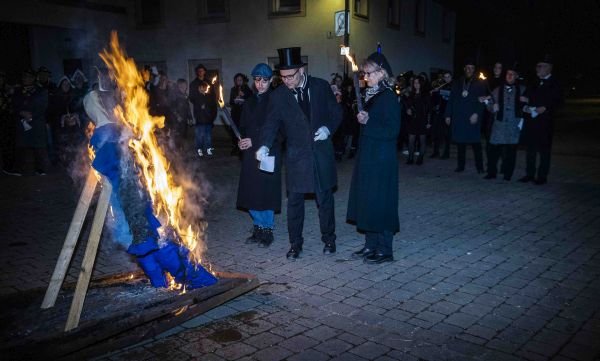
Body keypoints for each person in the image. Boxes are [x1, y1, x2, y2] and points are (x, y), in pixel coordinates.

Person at [256, 47, 342, 260]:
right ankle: (295, 244)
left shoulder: (320, 86)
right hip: (296, 157)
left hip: (320, 153)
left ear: (302, 70)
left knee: (325, 199)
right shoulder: (278, 96)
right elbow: (271, 124)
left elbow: (337, 112)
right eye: (282, 77)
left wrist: (328, 128)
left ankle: (329, 239)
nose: (286, 81)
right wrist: (264, 145)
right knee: (294, 202)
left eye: (290, 76)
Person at [347, 52, 400, 264]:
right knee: (368, 199)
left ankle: (385, 249)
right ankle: (370, 244)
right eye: (364, 73)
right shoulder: (370, 95)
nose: (365, 77)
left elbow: (392, 130)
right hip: (368, 155)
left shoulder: (388, 97)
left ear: (381, 73)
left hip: (382, 158)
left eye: (368, 73)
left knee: (382, 201)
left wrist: (368, 122)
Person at [236, 64, 282, 247]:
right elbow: (244, 127)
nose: (260, 84)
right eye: (257, 80)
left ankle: (267, 229)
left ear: (271, 80)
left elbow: (279, 130)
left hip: (268, 151)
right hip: (250, 154)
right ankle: (258, 227)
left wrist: (255, 141)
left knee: (265, 192)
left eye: (264, 80)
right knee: (251, 191)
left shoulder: (276, 101)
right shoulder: (249, 102)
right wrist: (241, 140)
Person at [519, 54, 562, 185]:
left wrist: (545, 108)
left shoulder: (555, 83)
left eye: (541, 66)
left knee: (544, 151)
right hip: (531, 121)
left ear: (549, 68)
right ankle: (529, 174)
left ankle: (542, 176)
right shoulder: (534, 82)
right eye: (537, 66)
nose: (537, 69)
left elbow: (558, 102)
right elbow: (524, 98)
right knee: (530, 150)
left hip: (545, 122)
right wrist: (525, 107)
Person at [483, 63, 526, 181]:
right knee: (493, 150)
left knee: (510, 152)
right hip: (499, 125)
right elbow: (489, 104)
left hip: (513, 125)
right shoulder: (498, 89)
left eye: (512, 74)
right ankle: (492, 172)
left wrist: (527, 100)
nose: (510, 76)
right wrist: (492, 107)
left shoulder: (522, 90)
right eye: (508, 74)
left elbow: (529, 104)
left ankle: (508, 175)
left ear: (516, 76)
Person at [445, 58, 487, 173]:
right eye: (467, 67)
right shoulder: (458, 82)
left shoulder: (480, 83)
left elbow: (482, 101)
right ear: (464, 69)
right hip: (460, 117)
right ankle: (460, 166)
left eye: (472, 68)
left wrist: (477, 114)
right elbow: (451, 99)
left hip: (472, 116)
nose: (469, 70)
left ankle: (480, 168)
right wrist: (448, 115)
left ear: (474, 70)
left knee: (476, 144)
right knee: (460, 143)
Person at [12, 68, 49, 175]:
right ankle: (20, 169)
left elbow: (43, 106)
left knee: (39, 147)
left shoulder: (41, 91)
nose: (26, 79)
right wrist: (21, 112)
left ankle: (41, 169)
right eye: (24, 77)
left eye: (28, 77)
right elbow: (14, 104)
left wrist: (31, 115)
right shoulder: (17, 91)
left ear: (33, 78)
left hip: (36, 122)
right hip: (22, 122)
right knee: (21, 147)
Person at [403, 76, 430, 165]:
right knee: (411, 140)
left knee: (422, 140)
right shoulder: (411, 94)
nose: (416, 84)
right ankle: (410, 157)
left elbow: (429, 109)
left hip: (422, 119)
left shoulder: (426, 94)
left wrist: (428, 122)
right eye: (414, 83)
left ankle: (420, 157)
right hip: (413, 120)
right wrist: (408, 110)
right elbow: (407, 105)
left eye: (418, 82)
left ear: (421, 83)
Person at [190, 81, 217, 157]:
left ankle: (208, 150)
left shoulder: (208, 97)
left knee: (208, 137)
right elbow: (196, 109)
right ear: (198, 88)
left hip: (208, 121)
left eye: (203, 87)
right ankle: (199, 151)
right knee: (199, 137)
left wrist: (211, 117)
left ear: (206, 88)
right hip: (200, 121)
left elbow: (212, 108)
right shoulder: (196, 97)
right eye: (200, 87)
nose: (201, 89)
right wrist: (200, 108)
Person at [430, 71, 452, 158]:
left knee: (447, 134)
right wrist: (434, 92)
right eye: (445, 77)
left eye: (448, 76)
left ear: (451, 77)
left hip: (448, 113)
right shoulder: (443, 85)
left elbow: (450, 95)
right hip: (440, 112)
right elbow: (438, 99)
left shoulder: (453, 86)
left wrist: (439, 91)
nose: (446, 78)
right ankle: (436, 152)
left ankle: (446, 153)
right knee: (437, 132)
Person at [229, 73, 252, 155]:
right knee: (234, 130)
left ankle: (243, 148)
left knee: (243, 130)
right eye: (237, 80)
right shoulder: (233, 89)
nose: (238, 81)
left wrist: (244, 96)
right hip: (235, 113)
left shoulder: (247, 89)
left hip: (243, 113)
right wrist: (235, 100)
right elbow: (231, 101)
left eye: (240, 80)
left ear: (243, 81)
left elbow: (251, 100)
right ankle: (235, 146)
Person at [0, 70, 19, 175]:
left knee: (9, 145)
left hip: (8, 122)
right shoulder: (5, 92)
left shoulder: (6, 90)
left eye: (2, 78)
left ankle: (8, 167)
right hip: (3, 121)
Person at [169, 78, 193, 152]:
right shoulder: (174, 95)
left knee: (183, 137)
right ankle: (176, 153)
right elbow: (172, 107)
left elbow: (187, 107)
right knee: (177, 137)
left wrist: (190, 118)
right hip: (176, 121)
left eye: (186, 85)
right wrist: (177, 116)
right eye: (183, 85)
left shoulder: (185, 96)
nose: (185, 87)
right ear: (179, 86)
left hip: (184, 120)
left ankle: (182, 152)